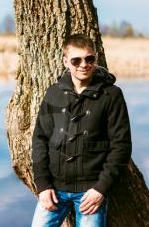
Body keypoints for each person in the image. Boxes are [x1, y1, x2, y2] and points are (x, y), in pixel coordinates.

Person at [30, 34, 132, 227]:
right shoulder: (54, 93)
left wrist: (101, 189)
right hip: (53, 189)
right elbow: (39, 139)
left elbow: (121, 146)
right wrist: (42, 185)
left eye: (89, 59)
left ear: (96, 59)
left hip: (91, 191)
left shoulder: (111, 95)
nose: (83, 65)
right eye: (76, 60)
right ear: (66, 61)